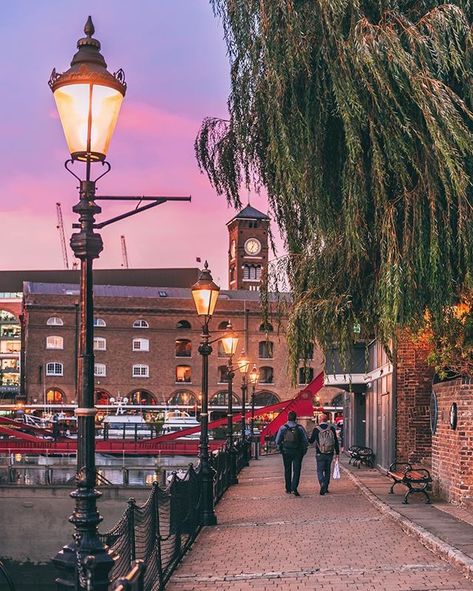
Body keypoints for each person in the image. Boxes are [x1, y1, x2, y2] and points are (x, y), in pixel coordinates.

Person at [275, 410, 308, 496]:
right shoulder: (300, 428)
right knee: (296, 470)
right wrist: (304, 450)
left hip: (286, 451)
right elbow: (305, 440)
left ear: (288, 418)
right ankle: (294, 488)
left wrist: (280, 449)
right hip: (297, 451)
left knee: (287, 469)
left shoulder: (283, 428)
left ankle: (288, 488)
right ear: (295, 418)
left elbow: (277, 440)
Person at [309, 413, 339, 495]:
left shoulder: (316, 429)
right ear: (327, 420)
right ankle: (326, 487)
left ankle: (322, 483)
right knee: (327, 470)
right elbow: (335, 441)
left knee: (319, 470)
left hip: (320, 453)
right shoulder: (331, 428)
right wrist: (337, 453)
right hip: (330, 452)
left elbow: (311, 441)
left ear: (320, 420)